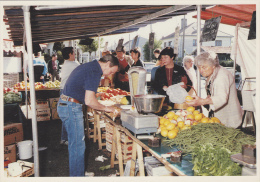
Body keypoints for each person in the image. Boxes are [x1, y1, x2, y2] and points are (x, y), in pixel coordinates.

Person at [57, 54, 119, 176]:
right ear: (107, 64)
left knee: (77, 145)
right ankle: (77, 176)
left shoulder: (91, 67)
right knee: (78, 147)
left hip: (67, 104)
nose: (109, 75)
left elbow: (87, 97)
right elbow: (89, 101)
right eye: (111, 71)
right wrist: (107, 108)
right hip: (71, 107)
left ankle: (78, 172)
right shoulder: (94, 71)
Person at [186, 51, 242, 128]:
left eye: (204, 67)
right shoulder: (212, 73)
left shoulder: (222, 76)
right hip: (219, 119)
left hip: (229, 120)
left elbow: (221, 98)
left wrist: (201, 101)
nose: (201, 70)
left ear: (213, 65)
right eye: (199, 67)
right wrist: (204, 100)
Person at [59, 47, 80, 145]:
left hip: (63, 91)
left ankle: (64, 138)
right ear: (70, 54)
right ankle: (68, 138)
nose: (75, 55)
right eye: (74, 53)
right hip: (68, 92)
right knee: (70, 115)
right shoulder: (73, 64)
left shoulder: (66, 64)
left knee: (65, 115)